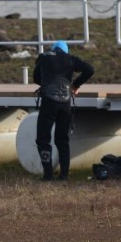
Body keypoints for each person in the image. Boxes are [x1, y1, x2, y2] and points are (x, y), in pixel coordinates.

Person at [33, 40, 94, 181]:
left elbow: (36, 78)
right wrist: (75, 85)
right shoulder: (71, 59)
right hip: (65, 103)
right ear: (65, 50)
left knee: (43, 139)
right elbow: (90, 69)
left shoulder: (44, 57)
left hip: (48, 102)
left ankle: (48, 175)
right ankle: (64, 175)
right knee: (62, 140)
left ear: (53, 49)